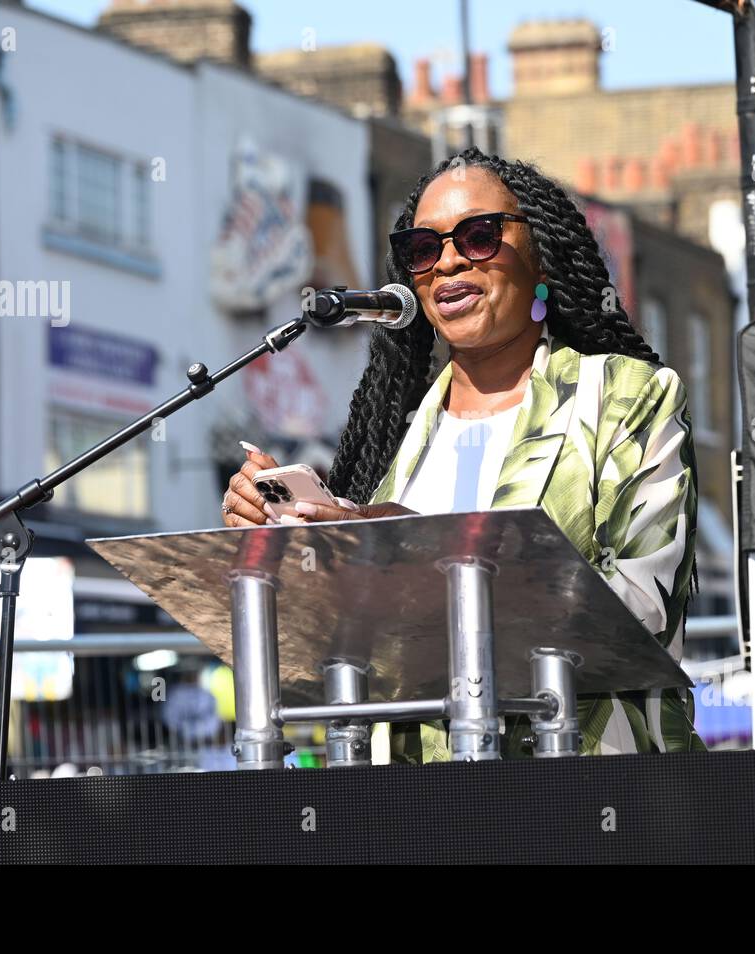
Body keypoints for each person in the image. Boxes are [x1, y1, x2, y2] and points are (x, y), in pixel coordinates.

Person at [223, 147, 703, 760]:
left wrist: (410, 545)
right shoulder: (394, 433)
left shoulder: (627, 398)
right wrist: (284, 543)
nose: (447, 260)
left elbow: (638, 612)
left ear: (540, 258)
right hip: (411, 804)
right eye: (423, 248)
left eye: (478, 236)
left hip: (585, 790)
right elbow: (339, 643)